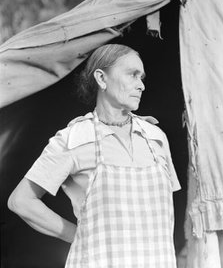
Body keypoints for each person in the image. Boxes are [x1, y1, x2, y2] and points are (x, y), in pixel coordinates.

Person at [8, 44, 181, 267]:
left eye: (142, 78)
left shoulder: (155, 137)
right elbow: (21, 201)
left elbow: (167, 218)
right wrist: (79, 236)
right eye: (133, 75)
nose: (141, 86)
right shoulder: (74, 138)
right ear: (101, 78)